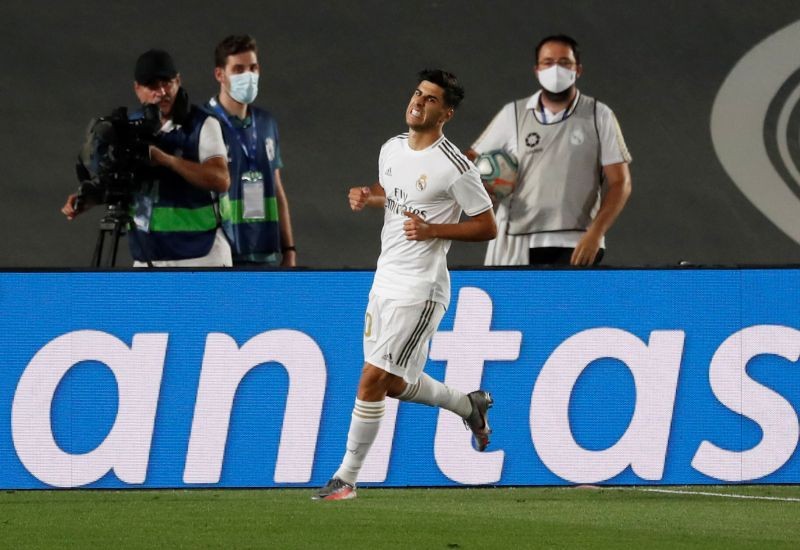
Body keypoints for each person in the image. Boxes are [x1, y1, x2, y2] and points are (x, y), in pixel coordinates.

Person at [313, 69, 498, 501]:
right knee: (390, 384)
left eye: (431, 99)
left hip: (421, 289)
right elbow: (396, 194)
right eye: (418, 93)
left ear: (446, 113)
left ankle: (346, 478)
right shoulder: (391, 148)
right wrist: (368, 195)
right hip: (385, 279)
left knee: (371, 379)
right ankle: (467, 404)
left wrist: (435, 230)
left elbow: (487, 226)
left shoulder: (456, 166)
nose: (419, 101)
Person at [467, 34, 632, 266]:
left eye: (564, 63)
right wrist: (481, 186)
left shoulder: (598, 115)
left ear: (578, 70)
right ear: (537, 70)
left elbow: (620, 183)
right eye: (548, 62)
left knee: (569, 303)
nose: (556, 69)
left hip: (577, 241)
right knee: (517, 303)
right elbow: (469, 159)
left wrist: (595, 233)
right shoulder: (513, 113)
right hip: (517, 240)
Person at [62, 49, 232, 267]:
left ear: (178, 80)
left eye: (167, 83)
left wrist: (166, 160)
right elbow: (126, 181)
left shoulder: (202, 125)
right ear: (137, 89)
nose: (161, 92)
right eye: (152, 86)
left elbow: (221, 179)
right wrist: (89, 199)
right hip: (149, 258)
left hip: (202, 257)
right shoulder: (130, 128)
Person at [206, 35, 296, 267]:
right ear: (220, 75)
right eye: (238, 69)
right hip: (220, 250)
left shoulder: (266, 123)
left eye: (252, 68)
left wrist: (289, 249)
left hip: (263, 248)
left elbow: (277, 188)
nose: (248, 76)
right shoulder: (204, 122)